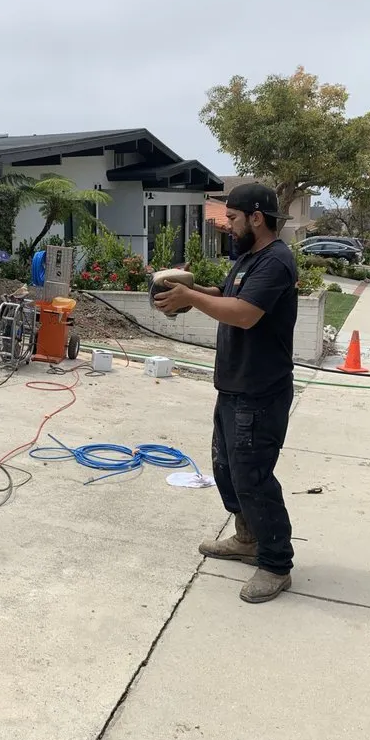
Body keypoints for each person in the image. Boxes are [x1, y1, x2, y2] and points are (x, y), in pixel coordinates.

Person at [155, 183, 297, 603]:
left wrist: (193, 300)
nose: (229, 226)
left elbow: (245, 314)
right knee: (227, 470)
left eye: (233, 218)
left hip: (260, 390)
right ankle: (247, 538)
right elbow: (229, 296)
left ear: (257, 217)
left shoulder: (276, 261)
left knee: (253, 477)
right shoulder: (250, 259)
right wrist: (188, 292)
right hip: (234, 386)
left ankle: (275, 563)